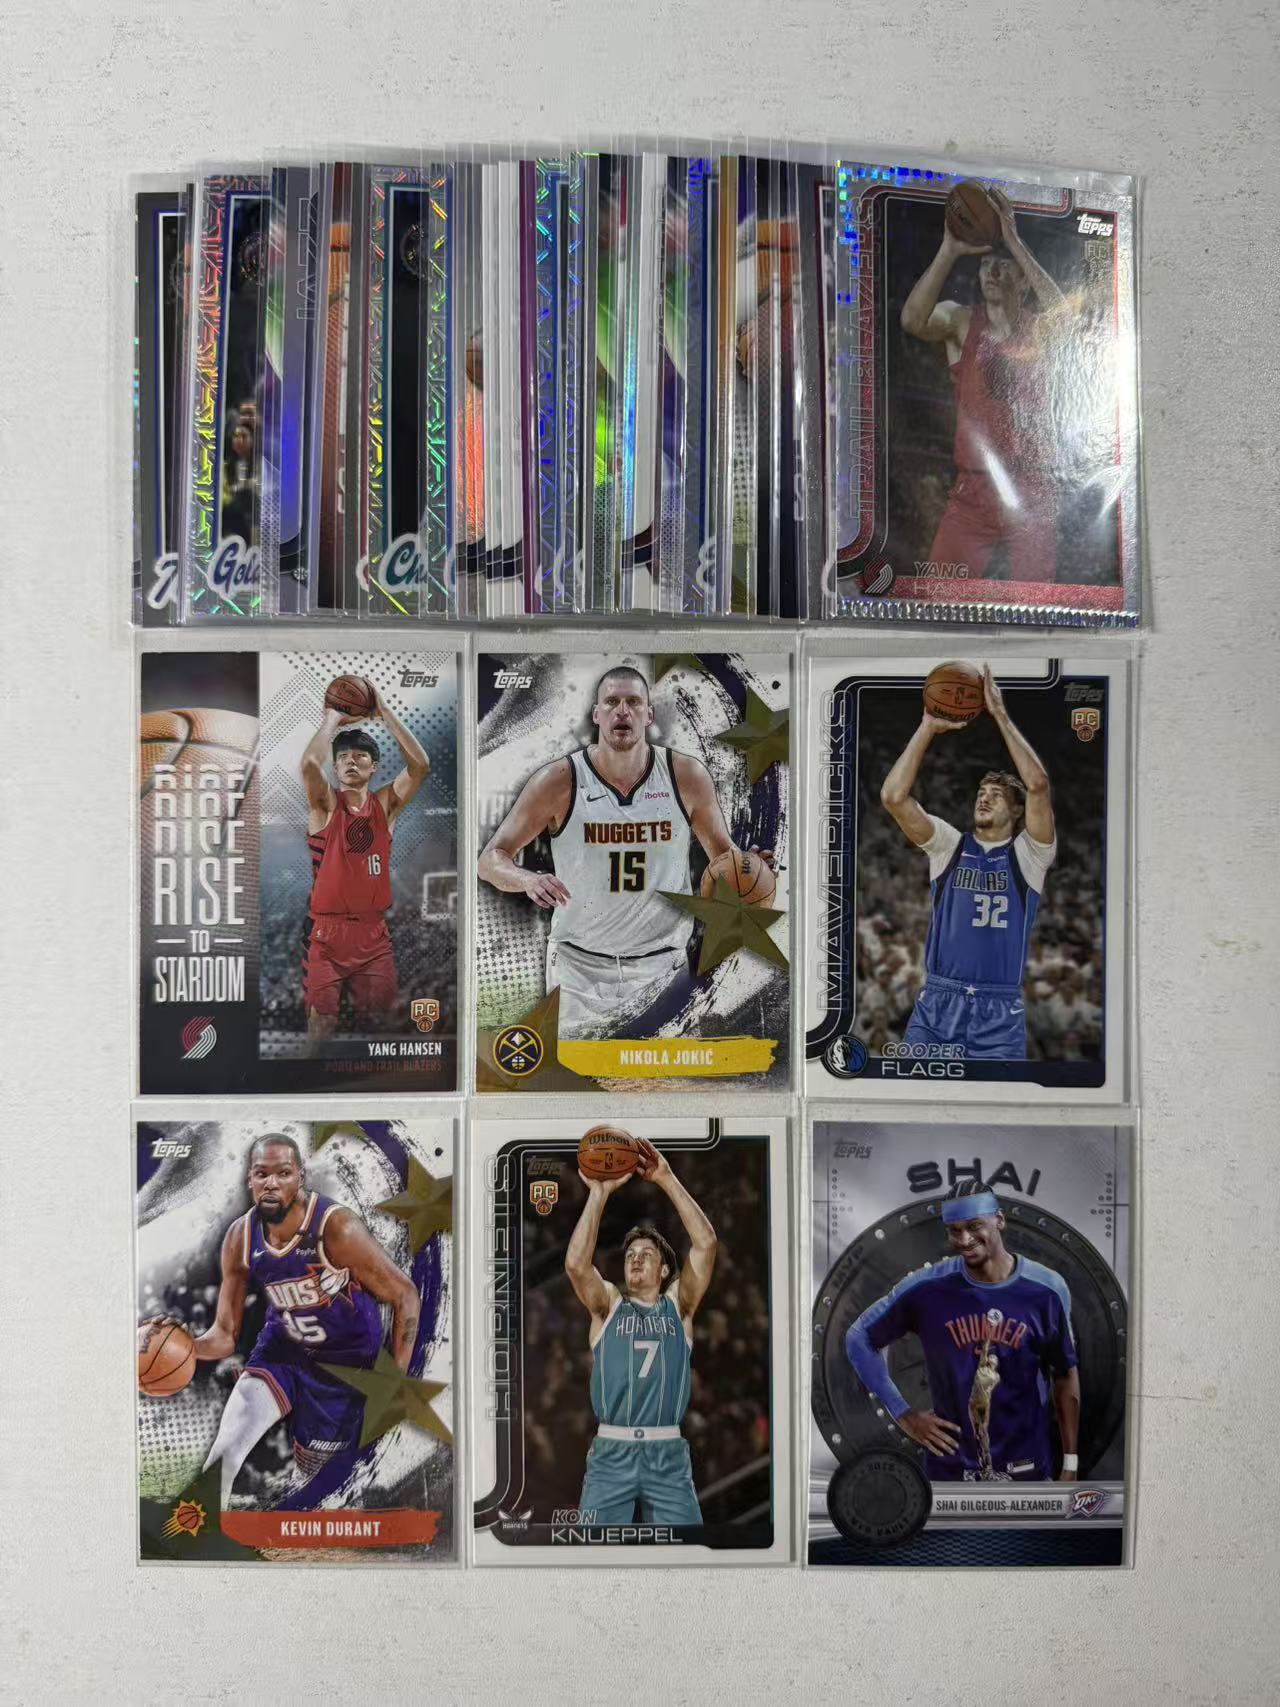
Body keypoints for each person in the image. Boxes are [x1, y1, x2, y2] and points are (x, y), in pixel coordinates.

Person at [477, 665, 765, 1038]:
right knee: (577, 1073)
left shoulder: (686, 776)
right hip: (578, 971)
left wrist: (750, 872)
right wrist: (526, 879)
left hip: (662, 968)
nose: (622, 710)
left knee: (662, 1075)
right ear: (596, 714)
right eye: (611, 701)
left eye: (633, 702)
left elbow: (724, 859)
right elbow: (491, 860)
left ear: (649, 714)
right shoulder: (558, 781)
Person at [192, 1135, 420, 1502]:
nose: (271, 1183)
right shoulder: (240, 1237)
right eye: (261, 1173)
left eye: (283, 1173)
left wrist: (395, 1383)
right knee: (226, 1448)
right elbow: (224, 1335)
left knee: (322, 1483)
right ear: (249, 1180)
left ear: (301, 1177)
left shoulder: (336, 1228)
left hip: (344, 1366)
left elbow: (404, 1295)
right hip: (282, 1351)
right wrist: (184, 1348)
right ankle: (197, 1528)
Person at [844, 1180, 1081, 1483]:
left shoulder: (1048, 1288)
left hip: (1027, 1471)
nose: (964, 1239)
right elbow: (859, 1338)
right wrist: (904, 1416)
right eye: (954, 1230)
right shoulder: (926, 1288)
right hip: (951, 1475)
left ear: (999, 1220)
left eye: (974, 1226)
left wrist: (1070, 1462)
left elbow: (1064, 1373)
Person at [879, 664, 1056, 1059]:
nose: (984, 798)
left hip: (999, 1011)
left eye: (996, 795)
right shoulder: (950, 846)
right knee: (909, 1091)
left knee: (994, 1099)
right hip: (938, 1003)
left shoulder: (1029, 855)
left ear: (1016, 811)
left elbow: (1038, 785)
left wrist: (1000, 715)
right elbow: (893, 797)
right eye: (981, 792)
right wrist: (927, 727)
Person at [901, 186, 1068, 582]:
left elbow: (1067, 319)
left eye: (1003, 265)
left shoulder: (1040, 330)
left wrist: (1013, 240)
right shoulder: (961, 321)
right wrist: (949, 249)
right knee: (938, 599)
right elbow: (911, 320)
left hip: (1031, 495)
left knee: (1035, 608)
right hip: (973, 495)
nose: (992, 272)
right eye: (986, 264)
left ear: (1023, 281)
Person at [563, 1136, 717, 1523]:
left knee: (685, 1553)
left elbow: (706, 1243)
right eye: (630, 1255)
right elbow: (576, 1265)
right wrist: (598, 1194)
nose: (635, 1259)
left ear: (664, 1270)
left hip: (667, 1454)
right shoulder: (609, 1305)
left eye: (646, 1254)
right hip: (611, 1452)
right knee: (592, 1552)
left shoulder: (679, 1306)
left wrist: (665, 1179)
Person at [301, 683, 430, 1044]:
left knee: (381, 1027)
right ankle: (307, 1075)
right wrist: (332, 718)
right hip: (328, 935)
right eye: (343, 757)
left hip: (374, 935)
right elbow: (310, 764)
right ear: (336, 766)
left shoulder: (384, 805)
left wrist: (384, 711)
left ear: (374, 767)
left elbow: (420, 766)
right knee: (321, 1028)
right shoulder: (325, 806)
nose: (350, 761)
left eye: (360, 756)